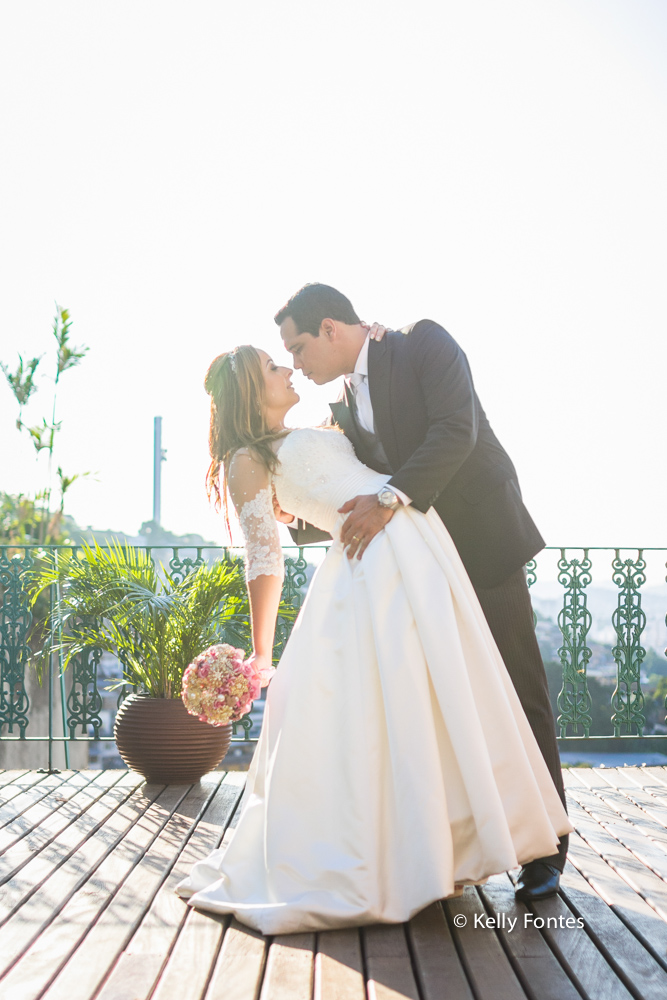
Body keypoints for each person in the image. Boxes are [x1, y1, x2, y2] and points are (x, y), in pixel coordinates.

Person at [175, 342, 572, 935]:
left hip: (426, 553)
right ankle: (407, 858)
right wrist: (262, 651)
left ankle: (450, 851)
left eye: (288, 357)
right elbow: (265, 558)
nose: (288, 369)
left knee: (448, 705)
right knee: (399, 709)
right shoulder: (247, 460)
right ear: (251, 395)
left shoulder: (325, 421)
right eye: (273, 367)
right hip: (374, 575)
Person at [275, 283, 569, 902]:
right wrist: (299, 515)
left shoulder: (424, 342)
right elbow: (353, 477)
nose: (297, 365)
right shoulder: (346, 402)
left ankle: (545, 849)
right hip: (416, 564)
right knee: (446, 703)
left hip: (480, 543)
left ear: (331, 328)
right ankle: (463, 841)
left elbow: (454, 432)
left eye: (299, 348)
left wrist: (386, 503)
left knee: (519, 687)